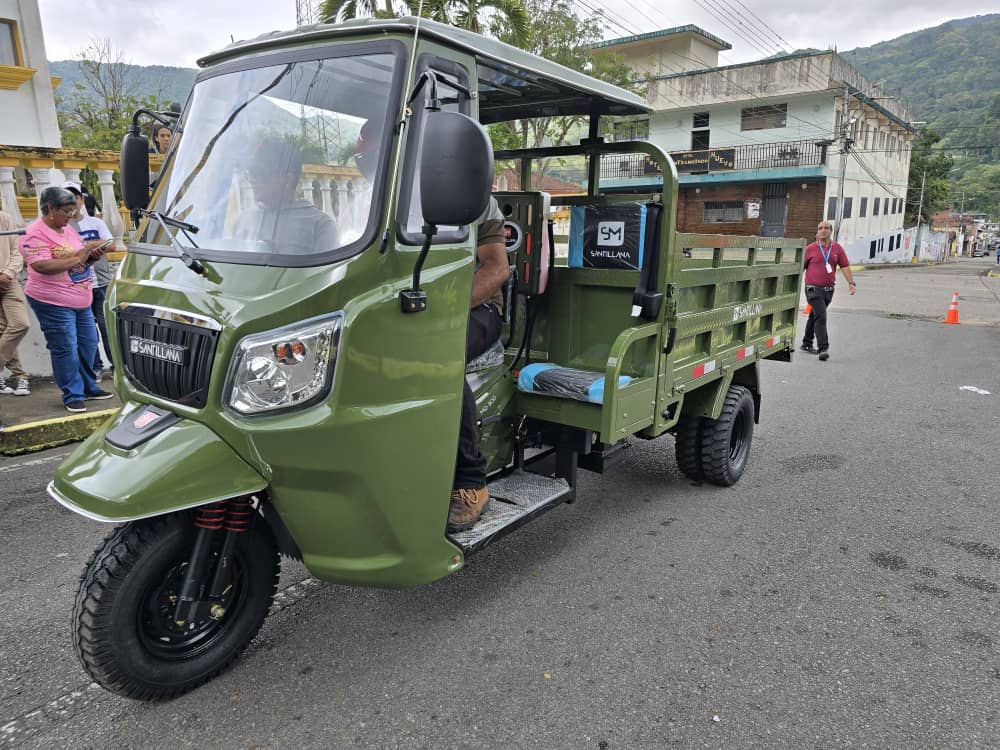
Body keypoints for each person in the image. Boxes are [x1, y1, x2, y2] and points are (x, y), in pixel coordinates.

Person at [19, 187, 114, 413]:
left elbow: (79, 260)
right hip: (53, 301)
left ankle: (88, 386)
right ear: (51, 208)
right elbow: (42, 266)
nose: (71, 216)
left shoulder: (67, 229)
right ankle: (73, 393)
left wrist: (90, 258)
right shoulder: (35, 233)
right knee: (65, 347)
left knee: (89, 343)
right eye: (67, 211)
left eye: (73, 211)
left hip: (80, 299)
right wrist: (80, 257)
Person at [448, 197, 509, 531]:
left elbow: (496, 268)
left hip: (477, 308)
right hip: (413, 308)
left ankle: (471, 482)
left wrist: (447, 309)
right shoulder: (383, 194)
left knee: (435, 358)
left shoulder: (475, 201)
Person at [243, 135, 340, 254]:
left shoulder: (319, 226)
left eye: (260, 174)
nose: (253, 180)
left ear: (288, 180)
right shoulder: (242, 221)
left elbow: (324, 272)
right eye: (251, 174)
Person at [63, 181, 115, 379]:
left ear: (82, 199)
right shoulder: (62, 228)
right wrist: (91, 247)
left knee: (107, 329)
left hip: (101, 283)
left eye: (75, 197)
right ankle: (95, 368)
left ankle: (116, 367)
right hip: (77, 285)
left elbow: (111, 245)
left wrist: (88, 245)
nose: (72, 202)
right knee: (86, 334)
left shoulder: (95, 223)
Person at [800, 221, 855, 362]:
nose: (823, 230)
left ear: (831, 231)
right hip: (812, 289)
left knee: (815, 315)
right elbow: (800, 268)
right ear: (817, 232)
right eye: (820, 228)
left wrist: (851, 282)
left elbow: (845, 266)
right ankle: (823, 348)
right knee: (821, 316)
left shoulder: (837, 249)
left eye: (826, 228)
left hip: (828, 291)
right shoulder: (810, 249)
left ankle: (806, 343)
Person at [0, 210, 30, 396]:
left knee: (20, 324)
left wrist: (7, 274)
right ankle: (21, 376)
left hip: (9, 280)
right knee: (2, 330)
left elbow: (17, 251)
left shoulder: (5, 218)